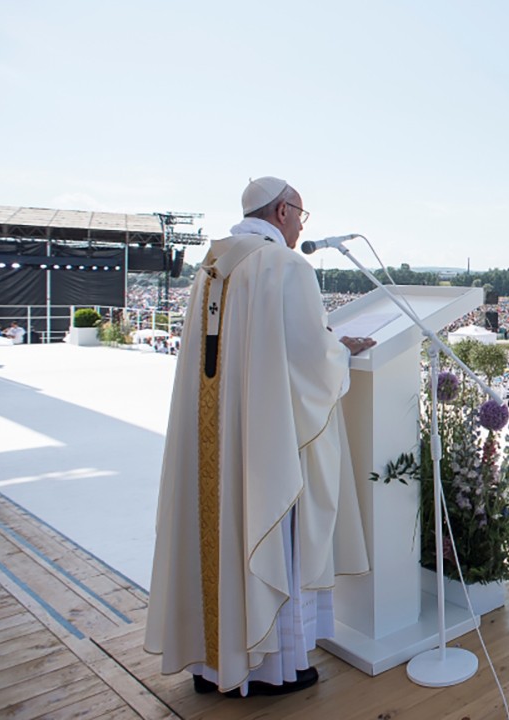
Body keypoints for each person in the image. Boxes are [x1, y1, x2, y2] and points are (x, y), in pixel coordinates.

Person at [145, 177, 372, 698]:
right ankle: (272, 667)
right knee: (266, 527)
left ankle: (211, 664)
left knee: (215, 537)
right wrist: (341, 350)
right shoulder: (284, 266)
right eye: (300, 215)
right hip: (260, 439)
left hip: (215, 433)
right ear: (283, 210)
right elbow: (308, 356)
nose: (299, 226)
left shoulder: (211, 266)